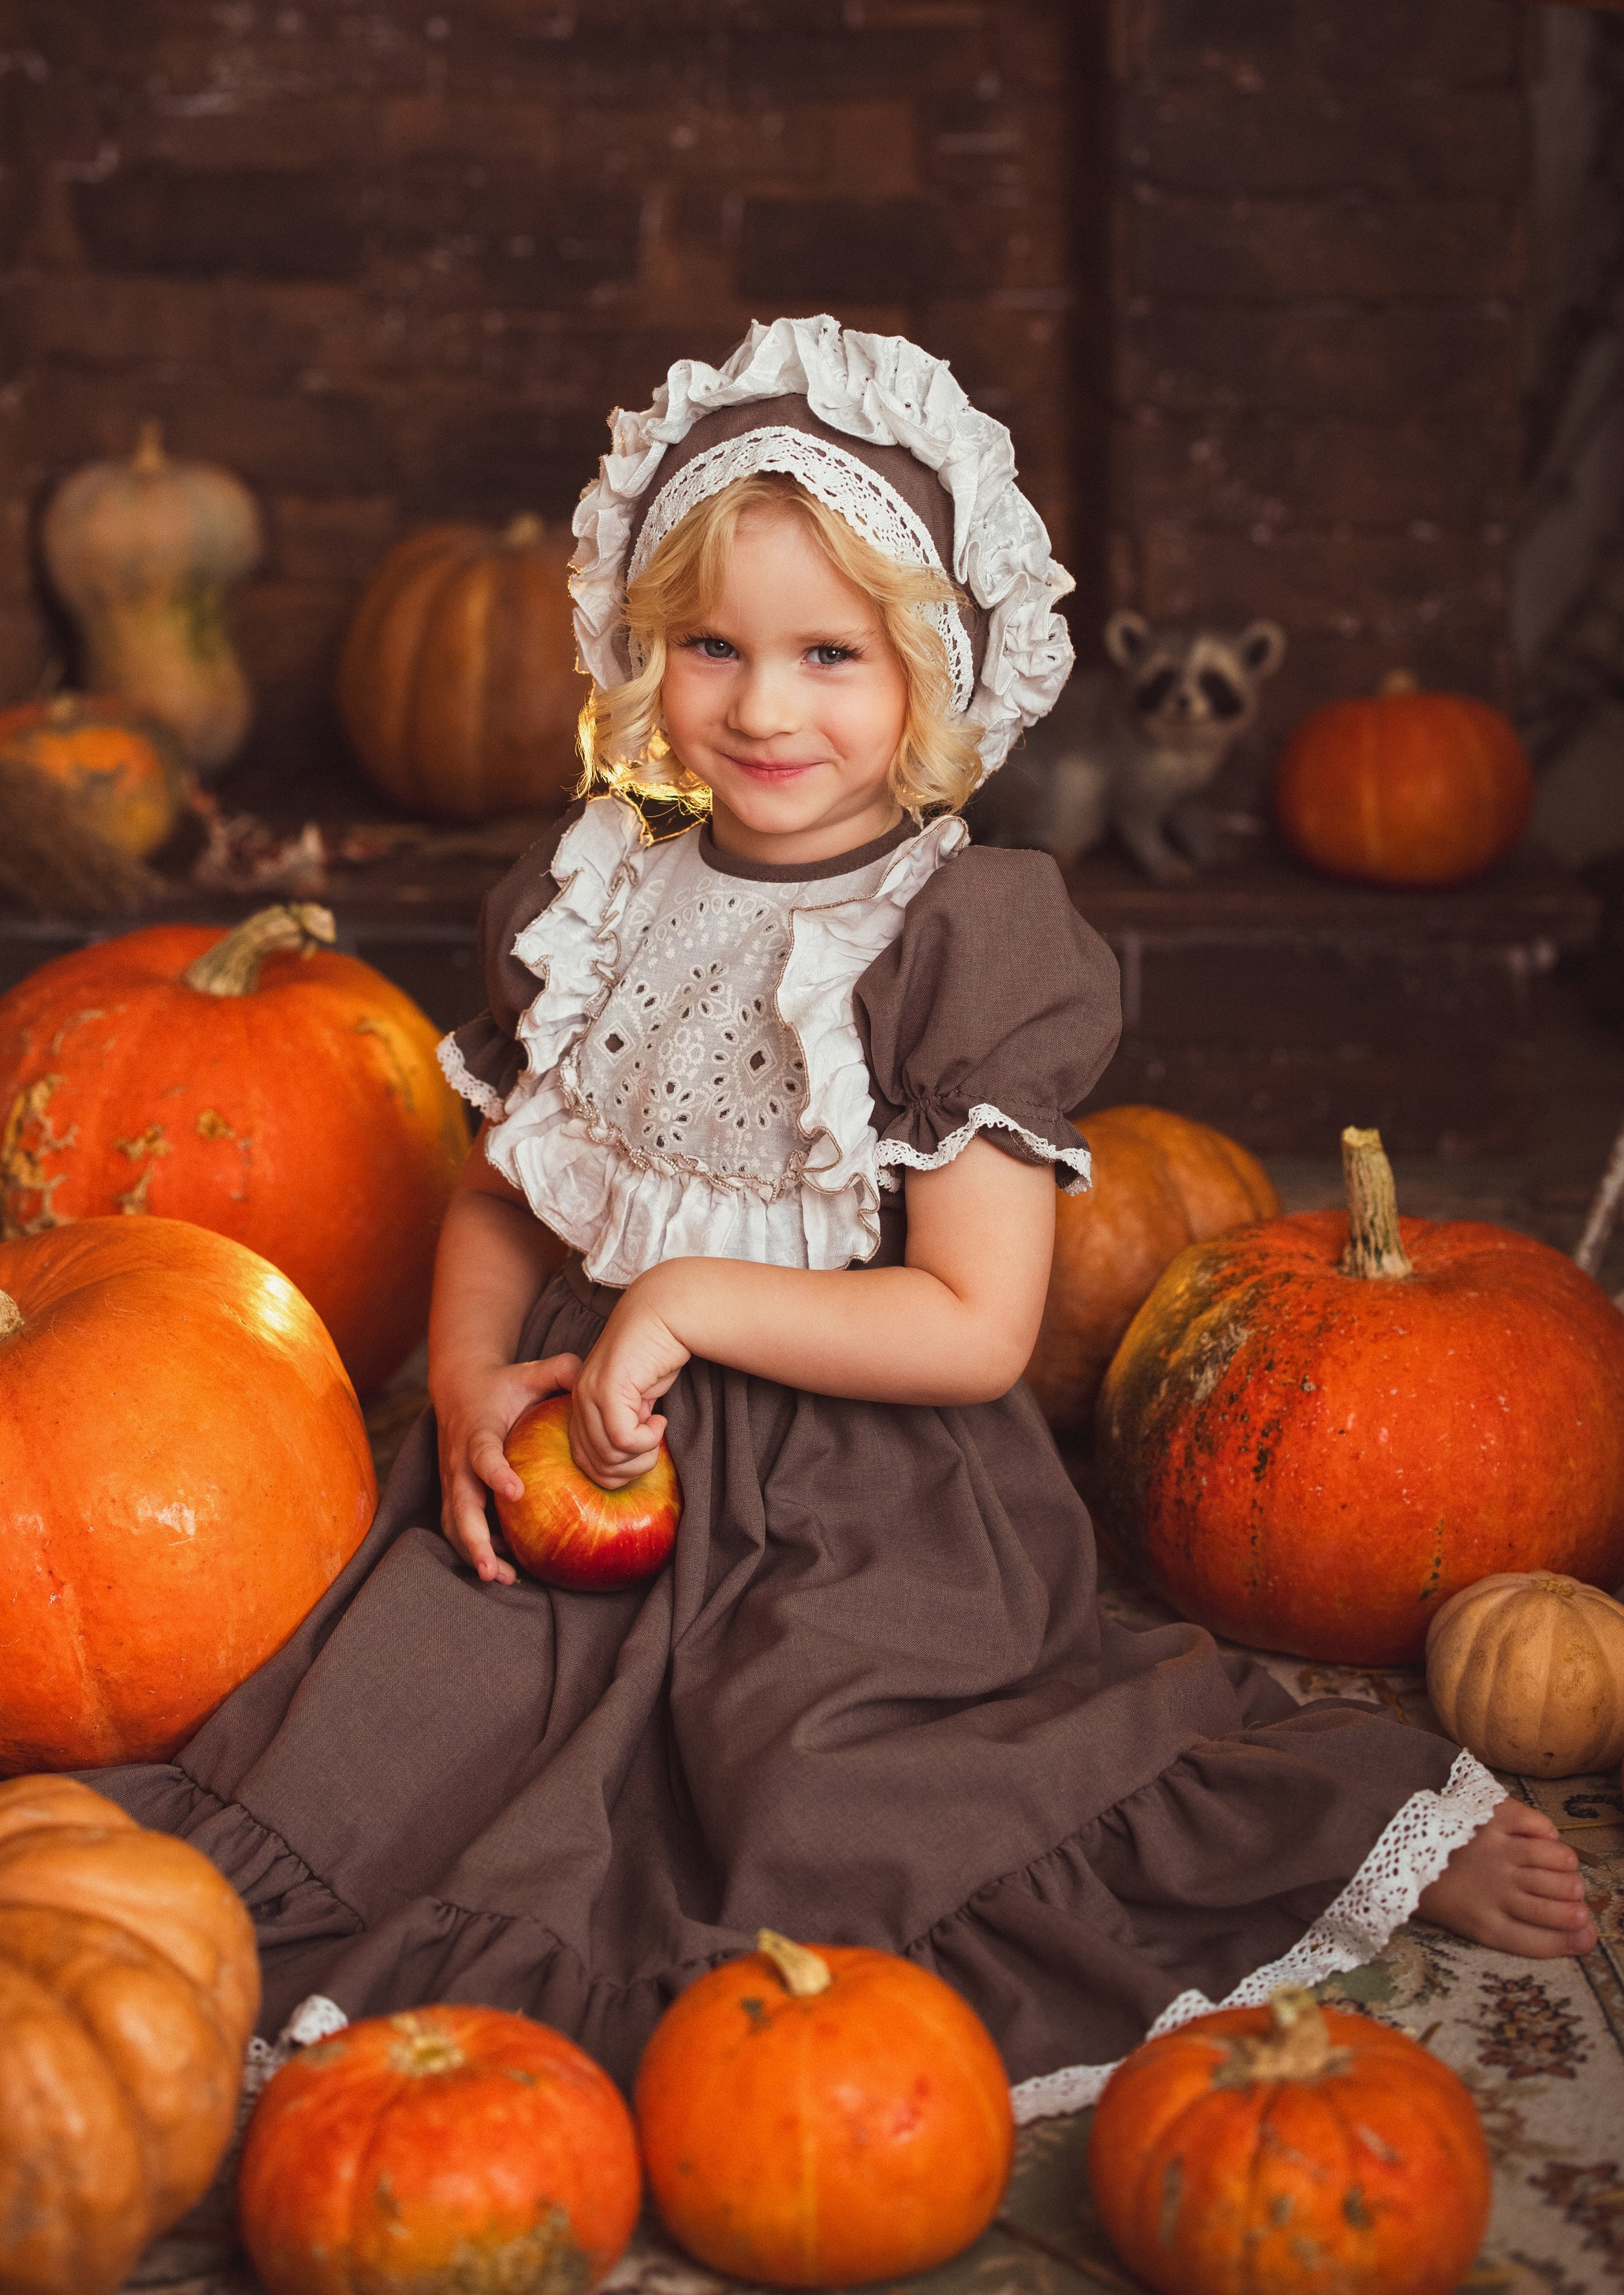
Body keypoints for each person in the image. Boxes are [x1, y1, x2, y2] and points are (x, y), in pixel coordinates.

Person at [96, 315, 1591, 2118]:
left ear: (936, 671)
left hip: (860, 1496)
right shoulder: (591, 899)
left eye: (830, 651)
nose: (761, 704)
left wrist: (687, 1302)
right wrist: (482, 1369)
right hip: (587, 1457)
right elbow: (505, 1182)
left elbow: (969, 1322)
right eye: (711, 646)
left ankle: (1336, 1830)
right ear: (641, 651)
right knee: (400, 1702)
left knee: (837, 1771)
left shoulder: (961, 937)